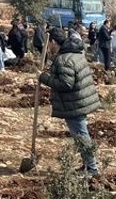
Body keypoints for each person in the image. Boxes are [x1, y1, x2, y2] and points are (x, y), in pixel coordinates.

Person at [39, 28, 104, 175]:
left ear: (54, 42)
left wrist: (43, 78)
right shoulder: (74, 54)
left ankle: (92, 168)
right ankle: (87, 165)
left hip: (74, 103)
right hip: (78, 101)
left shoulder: (64, 59)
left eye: (48, 43)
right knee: (80, 134)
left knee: (81, 135)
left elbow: (65, 84)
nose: (47, 46)